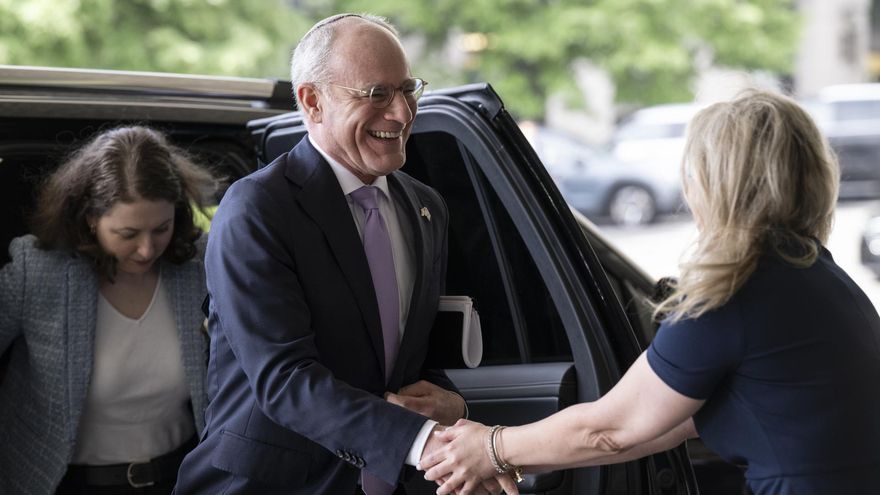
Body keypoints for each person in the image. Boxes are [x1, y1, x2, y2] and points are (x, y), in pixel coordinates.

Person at [420, 90, 880, 494]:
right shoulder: (818, 278)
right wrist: (502, 453)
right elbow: (662, 424)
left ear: (719, 185)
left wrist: (491, 448)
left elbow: (613, 428)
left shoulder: (736, 291)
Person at [173, 13, 511, 495]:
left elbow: (403, 361)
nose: (401, 112)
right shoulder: (259, 208)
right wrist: (432, 445)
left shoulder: (424, 206)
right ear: (313, 102)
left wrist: (451, 408)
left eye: (408, 88)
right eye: (377, 94)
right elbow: (285, 380)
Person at [0, 126, 216, 494]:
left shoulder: (200, 267)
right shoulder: (37, 271)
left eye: (160, 229)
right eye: (128, 234)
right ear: (90, 218)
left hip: (182, 478)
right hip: (64, 484)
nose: (147, 250)